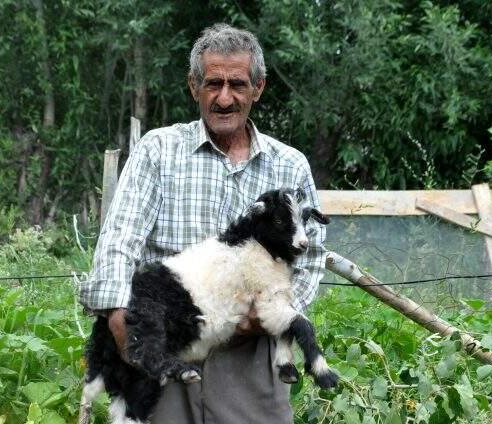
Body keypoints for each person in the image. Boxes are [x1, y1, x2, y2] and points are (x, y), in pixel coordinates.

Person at [80, 23, 327, 424]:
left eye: (237, 84)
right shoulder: (159, 151)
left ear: (258, 87)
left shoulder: (290, 165)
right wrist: (117, 317)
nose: (225, 98)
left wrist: (272, 313)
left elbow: (312, 254)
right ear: (193, 86)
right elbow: (119, 240)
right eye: (213, 83)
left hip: (251, 362)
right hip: (167, 348)